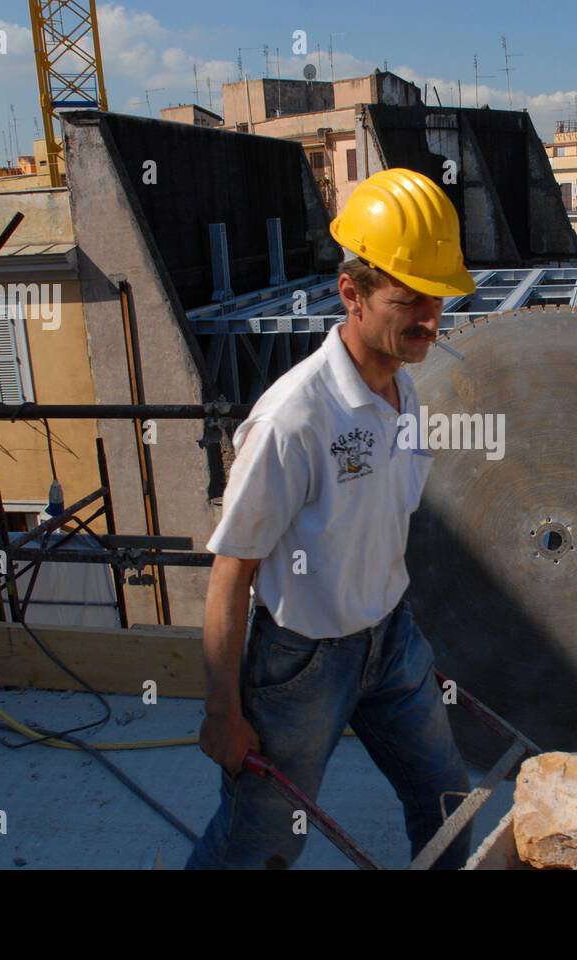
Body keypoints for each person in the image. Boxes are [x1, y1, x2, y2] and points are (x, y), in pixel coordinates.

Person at [185, 167, 478, 870]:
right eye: (410, 302)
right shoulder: (294, 419)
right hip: (304, 661)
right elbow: (232, 574)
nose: (431, 322)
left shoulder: (403, 387)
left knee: (448, 801)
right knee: (261, 845)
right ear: (351, 293)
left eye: (438, 302)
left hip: (391, 640)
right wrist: (222, 711)